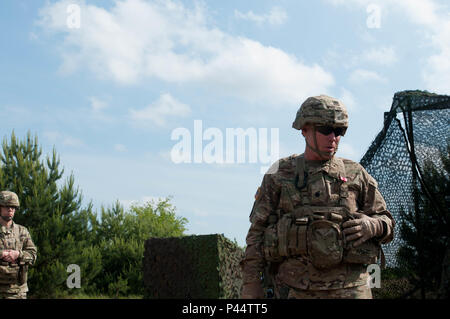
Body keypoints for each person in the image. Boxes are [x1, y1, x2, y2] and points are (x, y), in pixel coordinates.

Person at [240, 95, 395, 299]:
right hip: (294, 288)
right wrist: (251, 284)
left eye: (339, 131)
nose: (333, 137)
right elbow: (257, 232)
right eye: (325, 130)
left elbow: (387, 223)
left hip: (351, 288)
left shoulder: (356, 173)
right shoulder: (279, 172)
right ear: (305, 130)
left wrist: (373, 226)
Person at [0, 190, 37, 299]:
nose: (10, 209)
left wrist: (18, 254)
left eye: (13, 207)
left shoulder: (22, 232)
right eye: (7, 206)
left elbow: (33, 255)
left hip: (17, 292)